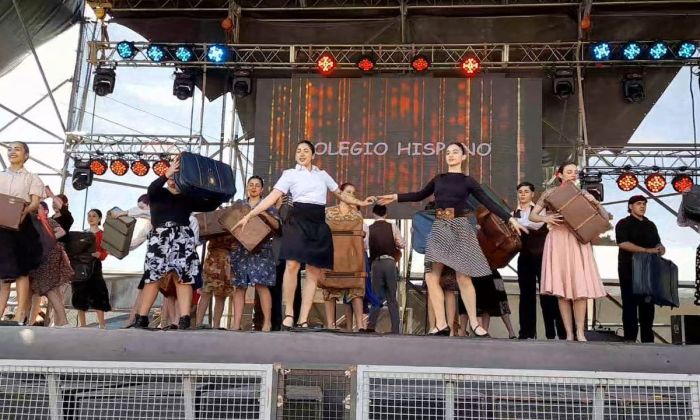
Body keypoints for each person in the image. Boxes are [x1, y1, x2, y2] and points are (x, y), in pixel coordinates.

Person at [378, 142, 526, 337]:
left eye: (455, 152)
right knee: (431, 277)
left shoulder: (468, 181)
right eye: (448, 152)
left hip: (460, 226)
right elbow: (420, 194)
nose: (451, 155)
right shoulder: (439, 179)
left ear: (463, 157)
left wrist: (509, 218)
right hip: (440, 226)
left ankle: (474, 323)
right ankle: (441, 324)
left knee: (463, 277)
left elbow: (487, 202)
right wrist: (395, 197)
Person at [233, 141, 373, 330]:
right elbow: (272, 197)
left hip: (317, 222)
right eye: (298, 150)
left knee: (314, 271)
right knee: (292, 264)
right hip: (297, 220)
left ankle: (303, 318)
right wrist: (250, 214)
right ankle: (289, 313)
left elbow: (340, 194)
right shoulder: (289, 174)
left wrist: (361, 203)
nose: (301, 153)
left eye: (306, 150)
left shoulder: (322, 175)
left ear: (313, 155)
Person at [133, 156, 219, 330]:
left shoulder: (188, 197)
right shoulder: (158, 193)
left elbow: (211, 205)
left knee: (184, 278)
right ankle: (141, 317)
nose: (172, 181)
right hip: (160, 237)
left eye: (176, 178)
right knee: (153, 276)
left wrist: (212, 186)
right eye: (171, 178)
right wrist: (166, 174)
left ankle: (184, 318)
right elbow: (153, 187)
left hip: (182, 237)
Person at [529, 161, 607, 342]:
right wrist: (546, 217)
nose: (573, 174)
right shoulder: (550, 193)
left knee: (579, 288)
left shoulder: (584, 194)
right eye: (569, 172)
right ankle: (569, 333)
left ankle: (580, 331)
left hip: (578, 240)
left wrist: (595, 202)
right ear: (560, 175)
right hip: (558, 239)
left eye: (575, 172)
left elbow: (603, 217)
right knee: (561, 289)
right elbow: (533, 216)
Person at [0, 141, 45, 325]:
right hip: (1, 228)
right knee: (3, 274)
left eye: (17, 149)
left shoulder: (32, 178)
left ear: (26, 155)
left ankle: (19, 315)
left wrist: (23, 212)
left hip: (22, 226)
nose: (12, 152)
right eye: (9, 149)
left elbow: (35, 202)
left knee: (21, 271)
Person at [513, 181, 564, 340]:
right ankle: (527, 333)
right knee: (526, 296)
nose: (523, 194)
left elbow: (533, 225)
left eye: (526, 191)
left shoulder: (540, 211)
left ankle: (554, 333)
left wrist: (514, 221)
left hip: (543, 258)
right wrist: (512, 219)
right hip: (525, 258)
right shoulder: (514, 213)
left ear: (532, 194)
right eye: (520, 191)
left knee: (548, 295)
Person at [230, 176, 279, 331]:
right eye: (251, 185)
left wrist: (264, 213)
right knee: (239, 286)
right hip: (241, 251)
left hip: (262, 251)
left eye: (257, 185)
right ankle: (236, 323)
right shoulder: (239, 206)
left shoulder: (268, 206)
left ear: (262, 189)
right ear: (246, 188)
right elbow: (230, 226)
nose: (253, 187)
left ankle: (267, 322)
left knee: (261, 286)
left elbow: (278, 226)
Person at [615, 195, 664, 343]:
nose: (642, 206)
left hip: (648, 270)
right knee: (630, 305)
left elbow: (657, 243)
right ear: (630, 206)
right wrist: (645, 250)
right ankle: (630, 339)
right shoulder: (624, 223)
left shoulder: (650, 225)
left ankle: (647, 340)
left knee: (648, 306)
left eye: (644, 204)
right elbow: (623, 243)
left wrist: (660, 248)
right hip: (629, 270)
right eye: (638, 204)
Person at [323, 182, 367, 331]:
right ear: (340, 193)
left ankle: (360, 325)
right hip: (332, 256)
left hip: (351, 258)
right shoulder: (328, 212)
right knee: (329, 290)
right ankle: (330, 324)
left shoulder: (357, 215)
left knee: (356, 290)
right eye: (348, 192)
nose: (351, 195)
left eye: (353, 193)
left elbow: (359, 239)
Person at [28, 201, 73, 327]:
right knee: (48, 290)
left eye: (39, 208)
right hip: (43, 258)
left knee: (50, 289)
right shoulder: (34, 223)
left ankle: (63, 322)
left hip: (47, 258)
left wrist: (46, 239)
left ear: (46, 211)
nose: (36, 210)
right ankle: (59, 321)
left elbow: (62, 232)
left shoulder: (47, 221)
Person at [366, 204, 405, 334]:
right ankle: (395, 329)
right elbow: (402, 244)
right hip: (390, 262)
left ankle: (371, 326)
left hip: (376, 264)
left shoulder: (369, 228)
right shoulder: (392, 226)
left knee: (376, 296)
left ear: (373, 213)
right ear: (386, 214)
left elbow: (365, 244)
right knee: (392, 297)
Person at [71, 209, 112, 328]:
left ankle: (102, 325)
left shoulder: (103, 234)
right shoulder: (82, 233)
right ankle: (82, 325)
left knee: (98, 292)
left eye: (94, 216)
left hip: (95, 266)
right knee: (80, 292)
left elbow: (105, 251)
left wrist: (100, 255)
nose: (91, 218)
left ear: (99, 219)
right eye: (89, 216)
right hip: (81, 266)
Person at [195, 235, 236, 329]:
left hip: (216, 259)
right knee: (216, 295)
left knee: (212, 294)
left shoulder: (212, 222)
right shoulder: (231, 224)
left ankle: (200, 323)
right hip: (221, 260)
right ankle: (213, 325)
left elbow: (202, 238)